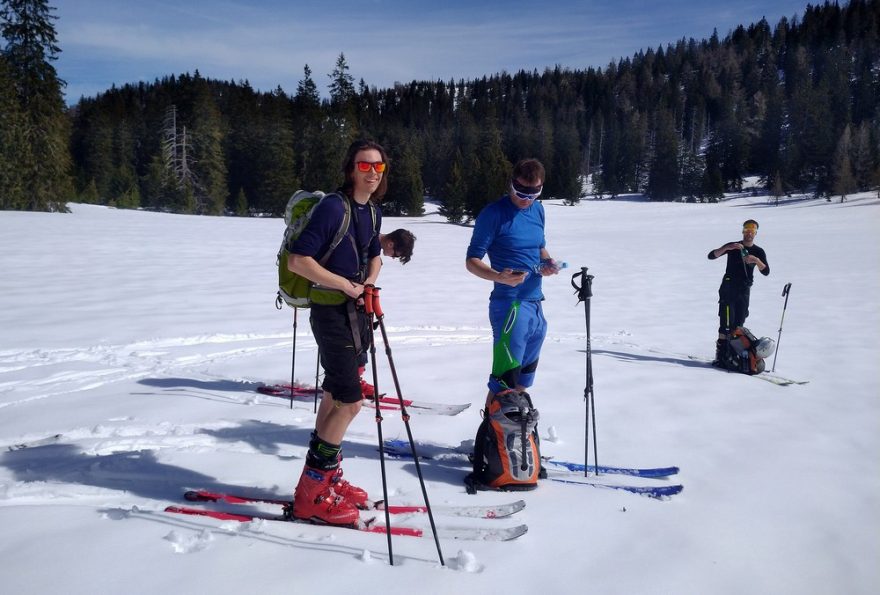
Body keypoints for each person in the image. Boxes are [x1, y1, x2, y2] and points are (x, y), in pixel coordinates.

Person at [286, 139, 387, 525]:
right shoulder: (333, 207)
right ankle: (313, 493)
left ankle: (326, 478)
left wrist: (369, 284)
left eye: (379, 167)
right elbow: (299, 260)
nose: (373, 174)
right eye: (365, 166)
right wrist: (346, 286)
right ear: (351, 169)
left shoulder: (372, 212)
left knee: (334, 395)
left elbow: (374, 254)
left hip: (356, 312)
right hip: (331, 313)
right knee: (350, 401)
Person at [465, 158, 561, 407]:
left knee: (524, 380)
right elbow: (472, 260)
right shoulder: (493, 214)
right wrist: (498, 277)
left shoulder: (538, 210)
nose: (526, 199)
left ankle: (513, 433)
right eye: (521, 193)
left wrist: (549, 263)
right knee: (504, 380)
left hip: (535, 304)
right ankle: (489, 437)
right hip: (510, 306)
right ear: (511, 184)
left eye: (534, 194)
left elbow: (539, 247)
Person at [708, 219, 770, 363]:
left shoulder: (758, 251)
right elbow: (711, 255)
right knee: (725, 323)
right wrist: (727, 248)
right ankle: (721, 355)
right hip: (728, 288)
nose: (749, 233)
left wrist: (756, 260)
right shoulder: (734, 246)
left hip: (744, 290)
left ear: (755, 233)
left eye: (752, 231)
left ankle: (734, 354)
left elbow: (766, 271)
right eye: (747, 230)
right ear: (743, 231)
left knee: (739, 324)